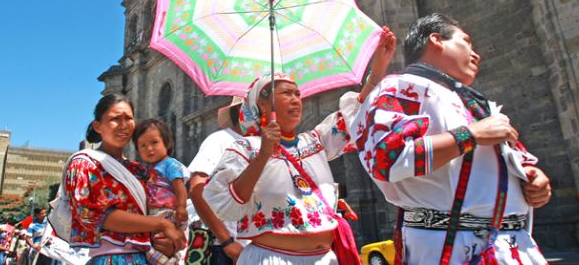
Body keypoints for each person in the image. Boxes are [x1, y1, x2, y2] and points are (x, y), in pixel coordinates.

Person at [352, 13, 553, 264]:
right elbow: (386, 159)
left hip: (514, 247)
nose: (475, 53)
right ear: (436, 40)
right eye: (466, 41)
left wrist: (534, 179)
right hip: (448, 246)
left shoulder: (480, 106)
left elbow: (517, 162)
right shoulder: (400, 88)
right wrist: (471, 135)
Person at [203, 28, 396, 265]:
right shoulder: (244, 149)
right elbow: (224, 203)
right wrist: (263, 155)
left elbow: (351, 118)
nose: (296, 100)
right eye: (286, 93)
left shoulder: (313, 142)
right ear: (263, 105)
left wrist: (375, 75)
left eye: (298, 93)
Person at [63, 93, 186, 265]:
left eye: (128, 118)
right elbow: (95, 216)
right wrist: (161, 225)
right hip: (111, 258)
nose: (123, 125)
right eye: (115, 119)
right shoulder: (83, 164)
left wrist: (168, 243)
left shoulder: (140, 170)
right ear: (97, 126)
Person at [188, 97, 248, 265]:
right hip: (228, 250)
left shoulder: (266, 144)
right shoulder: (220, 140)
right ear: (240, 110)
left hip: (261, 249)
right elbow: (196, 188)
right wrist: (227, 241)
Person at [133, 118, 190, 265]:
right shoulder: (148, 170)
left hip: (166, 212)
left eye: (154, 142)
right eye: (143, 145)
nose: (149, 149)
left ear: (168, 143)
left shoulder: (170, 164)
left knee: (158, 241)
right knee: (154, 243)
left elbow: (179, 187)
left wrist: (182, 207)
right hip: (154, 213)